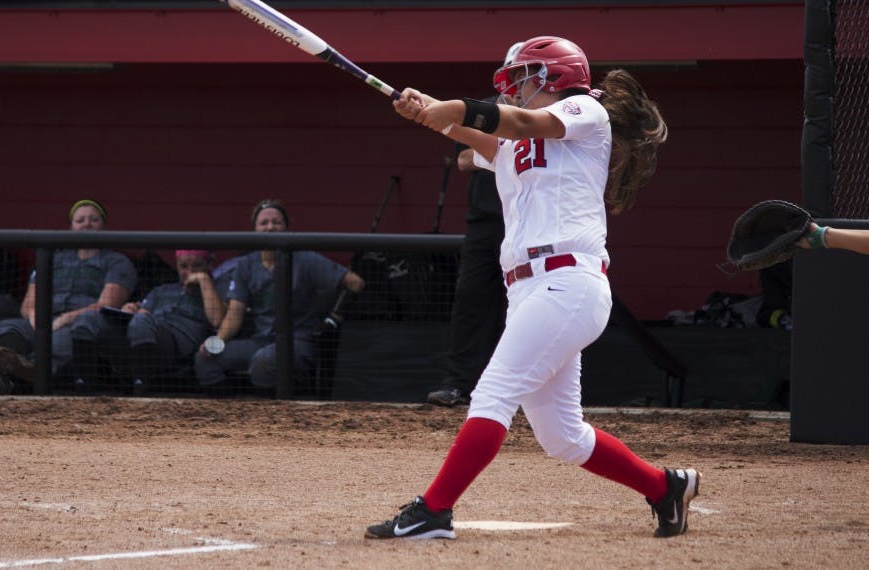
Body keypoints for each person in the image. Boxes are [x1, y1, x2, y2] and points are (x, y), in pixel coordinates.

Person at [365, 36, 695, 541]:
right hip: (528, 291)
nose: (514, 89)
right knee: (562, 437)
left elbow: (517, 121)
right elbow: (479, 141)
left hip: (568, 281)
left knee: (492, 393)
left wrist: (447, 108)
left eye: (523, 78)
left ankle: (434, 510)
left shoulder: (586, 110)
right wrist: (425, 112)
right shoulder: (517, 148)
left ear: (557, 75)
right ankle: (665, 487)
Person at [426, 44, 523, 407]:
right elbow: (465, 160)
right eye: (513, 71)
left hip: (529, 223)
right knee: (471, 301)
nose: (517, 80)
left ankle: (520, 390)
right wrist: (503, 147)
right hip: (486, 223)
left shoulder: (543, 112)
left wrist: (504, 146)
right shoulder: (484, 107)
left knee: (528, 304)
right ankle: (458, 383)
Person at [195, 198, 365, 392]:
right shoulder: (245, 265)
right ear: (255, 230)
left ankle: (273, 418)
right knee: (204, 358)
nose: (270, 227)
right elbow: (234, 313)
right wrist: (218, 341)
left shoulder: (305, 258)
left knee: (263, 361)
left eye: (276, 222)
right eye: (264, 223)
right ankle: (227, 415)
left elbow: (355, 282)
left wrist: (334, 318)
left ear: (286, 228)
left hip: (298, 341)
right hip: (260, 340)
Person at [0, 199, 137, 394]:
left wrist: (65, 319)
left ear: (103, 226)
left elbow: (106, 305)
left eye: (94, 219)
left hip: (79, 325)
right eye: (80, 220)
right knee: (5, 327)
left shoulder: (117, 261)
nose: (87, 224)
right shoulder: (53, 258)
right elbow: (27, 304)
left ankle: (24, 373)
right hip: (43, 321)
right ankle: (2, 367)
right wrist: (36, 317)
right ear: (71, 227)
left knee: (62, 338)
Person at [116, 249, 225, 394]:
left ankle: (142, 384)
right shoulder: (161, 290)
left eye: (197, 266)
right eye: (184, 266)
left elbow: (217, 321)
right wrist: (129, 310)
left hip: (183, 345)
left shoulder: (216, 290)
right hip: (154, 338)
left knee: (142, 321)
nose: (190, 272)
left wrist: (204, 280)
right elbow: (143, 315)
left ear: (209, 264)